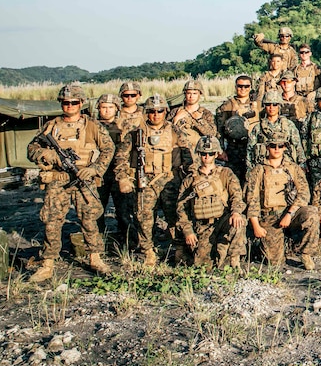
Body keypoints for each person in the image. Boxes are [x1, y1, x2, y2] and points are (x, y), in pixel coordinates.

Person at [27, 85, 116, 282]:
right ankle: (48, 263)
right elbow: (32, 148)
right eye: (65, 102)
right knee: (52, 220)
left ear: (81, 103)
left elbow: (109, 149)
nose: (69, 106)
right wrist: (46, 154)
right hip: (57, 180)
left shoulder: (92, 126)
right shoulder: (51, 126)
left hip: (83, 179)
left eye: (74, 102)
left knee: (90, 219)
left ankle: (95, 258)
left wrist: (95, 169)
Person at [114, 94, 191, 267]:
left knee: (175, 216)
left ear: (166, 111)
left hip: (170, 180)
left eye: (159, 111)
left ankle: (179, 249)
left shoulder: (175, 131)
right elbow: (121, 158)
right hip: (145, 181)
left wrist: (187, 179)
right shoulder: (136, 134)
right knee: (144, 217)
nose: (156, 115)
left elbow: (188, 157)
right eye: (151, 111)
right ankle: (148, 251)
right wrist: (123, 179)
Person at [245, 133, 320, 270]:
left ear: (285, 147)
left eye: (281, 146)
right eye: (273, 146)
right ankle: (263, 246)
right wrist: (256, 225)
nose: (277, 149)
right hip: (269, 217)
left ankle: (305, 252)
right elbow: (252, 198)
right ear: (267, 147)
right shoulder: (258, 170)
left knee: (311, 213)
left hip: (290, 214)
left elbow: (304, 194)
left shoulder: (293, 168)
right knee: (274, 262)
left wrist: (290, 214)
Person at [175, 137, 247, 269]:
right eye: (203, 153)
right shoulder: (190, 180)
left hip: (222, 221)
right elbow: (181, 208)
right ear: (199, 154)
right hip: (202, 226)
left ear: (216, 154)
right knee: (204, 266)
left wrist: (236, 212)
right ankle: (219, 250)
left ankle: (234, 260)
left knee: (240, 221)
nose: (206, 156)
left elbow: (236, 196)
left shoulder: (226, 173)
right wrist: (188, 231)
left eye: (210, 153)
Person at [215, 75, 261, 182]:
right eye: (240, 86)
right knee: (233, 179)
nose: (243, 89)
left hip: (254, 146)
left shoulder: (258, 105)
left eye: (246, 86)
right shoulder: (227, 106)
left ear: (250, 87)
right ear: (235, 87)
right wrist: (221, 150)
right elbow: (219, 130)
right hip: (234, 148)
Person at [94, 93, 126, 237]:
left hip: (118, 172)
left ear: (117, 108)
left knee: (123, 209)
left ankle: (126, 239)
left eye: (110, 107)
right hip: (98, 173)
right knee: (96, 208)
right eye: (103, 107)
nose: (107, 110)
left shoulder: (124, 125)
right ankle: (98, 239)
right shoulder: (91, 126)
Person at [247, 90, 306, 166]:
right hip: (264, 167)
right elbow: (250, 149)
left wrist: (302, 165)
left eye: (275, 104)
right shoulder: (258, 127)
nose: (271, 107)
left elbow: (298, 146)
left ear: (279, 106)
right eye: (268, 104)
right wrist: (250, 169)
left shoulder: (289, 125)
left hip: (286, 166)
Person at [170, 79, 218, 153]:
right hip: (177, 152)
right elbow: (165, 132)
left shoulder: (205, 113)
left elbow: (212, 134)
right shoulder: (175, 111)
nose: (191, 96)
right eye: (189, 93)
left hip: (197, 152)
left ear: (200, 94)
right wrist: (175, 120)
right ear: (185, 94)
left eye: (194, 93)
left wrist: (199, 120)